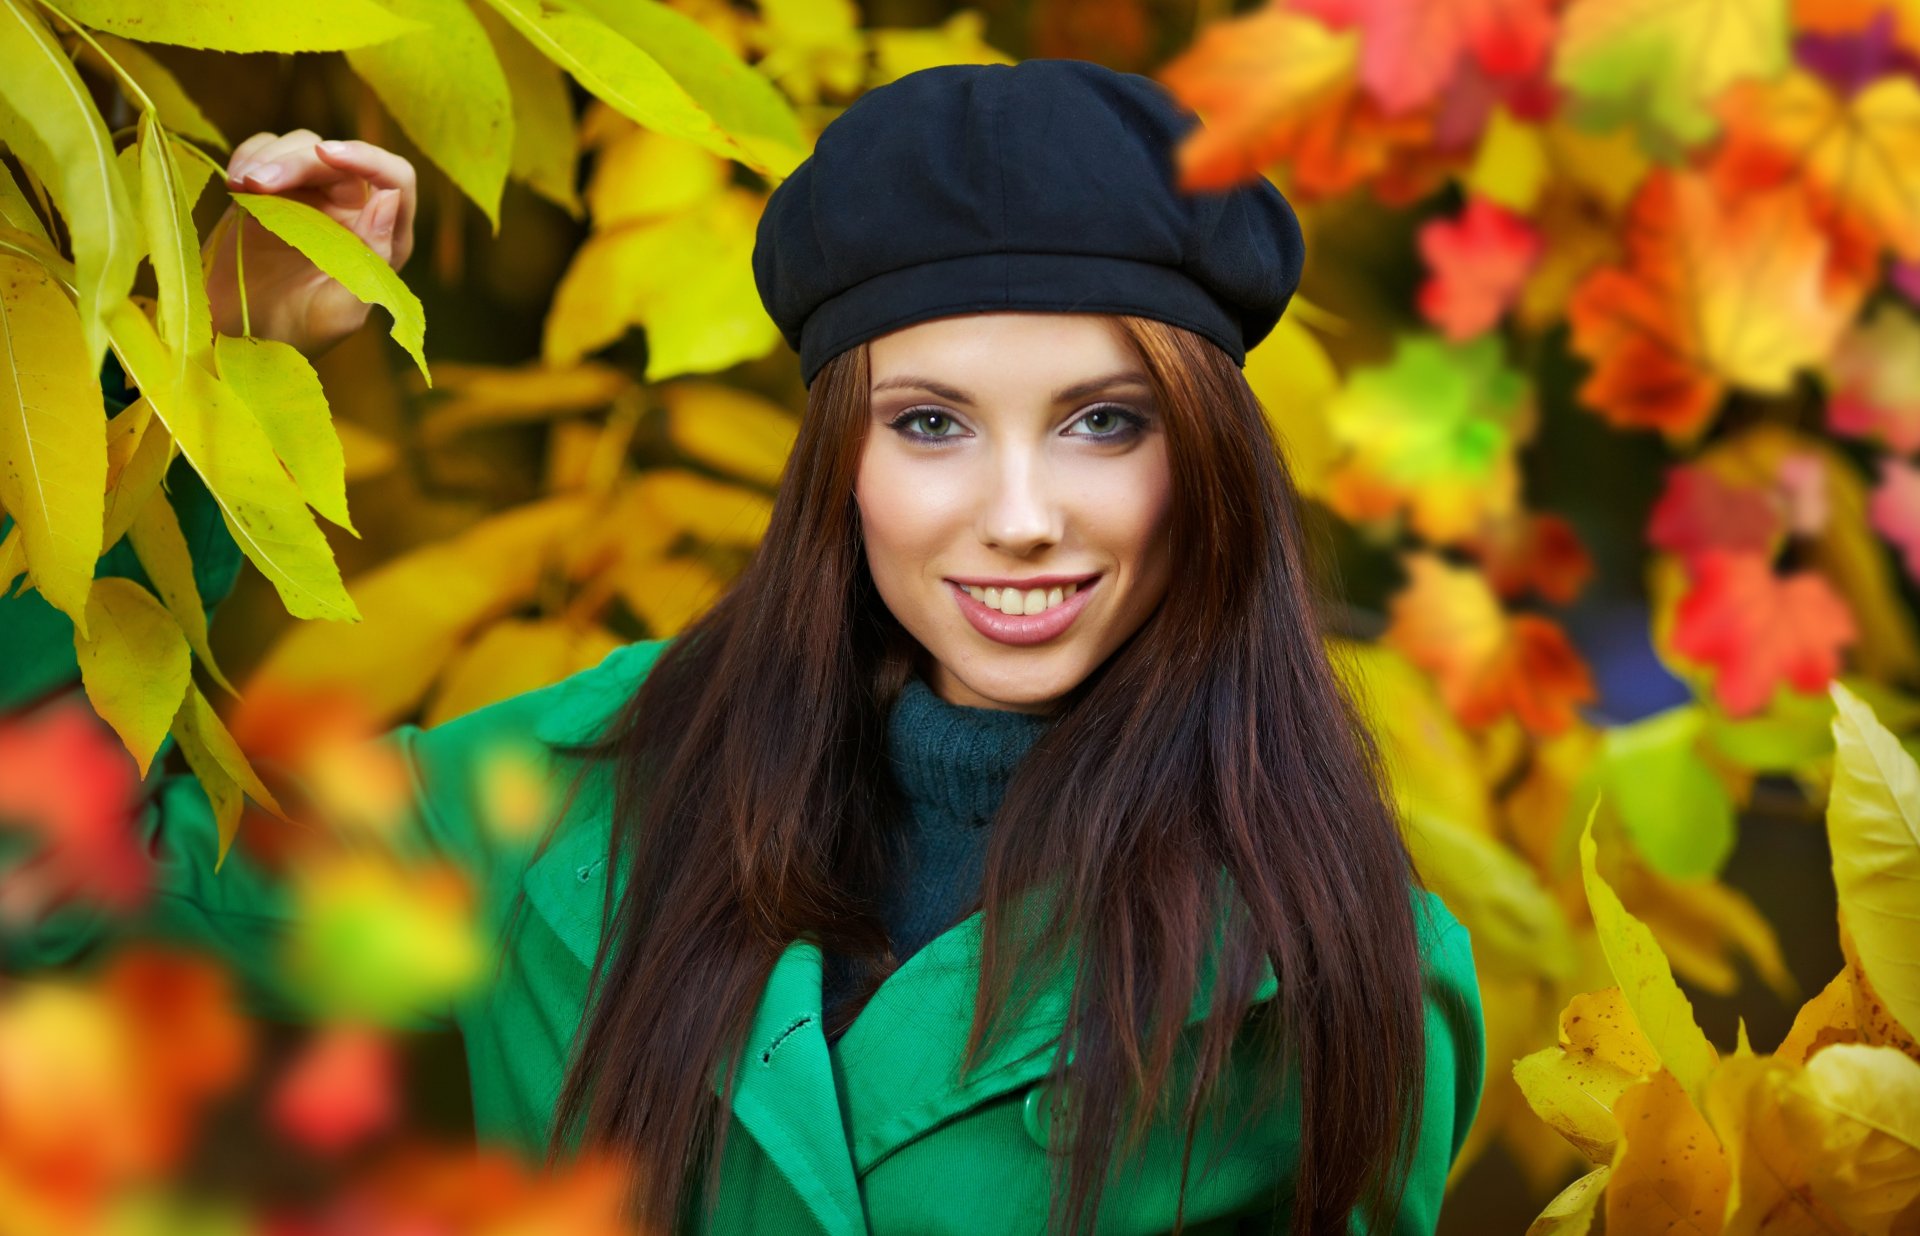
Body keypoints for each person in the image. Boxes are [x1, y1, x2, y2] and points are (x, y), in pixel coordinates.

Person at [2, 60, 1486, 1236]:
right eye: (931, 425)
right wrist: (205, 388)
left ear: (1209, 463)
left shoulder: (1334, 969)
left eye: (1106, 422)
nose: (1022, 516)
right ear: (838, 463)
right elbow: (52, 869)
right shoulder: (589, 788)